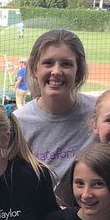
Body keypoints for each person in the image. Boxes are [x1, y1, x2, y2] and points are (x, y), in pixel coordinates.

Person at [12, 29, 97, 183]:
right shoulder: (18, 123)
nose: (56, 71)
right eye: (48, 63)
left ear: (78, 71)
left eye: (66, 64)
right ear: (34, 69)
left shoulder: (100, 113)